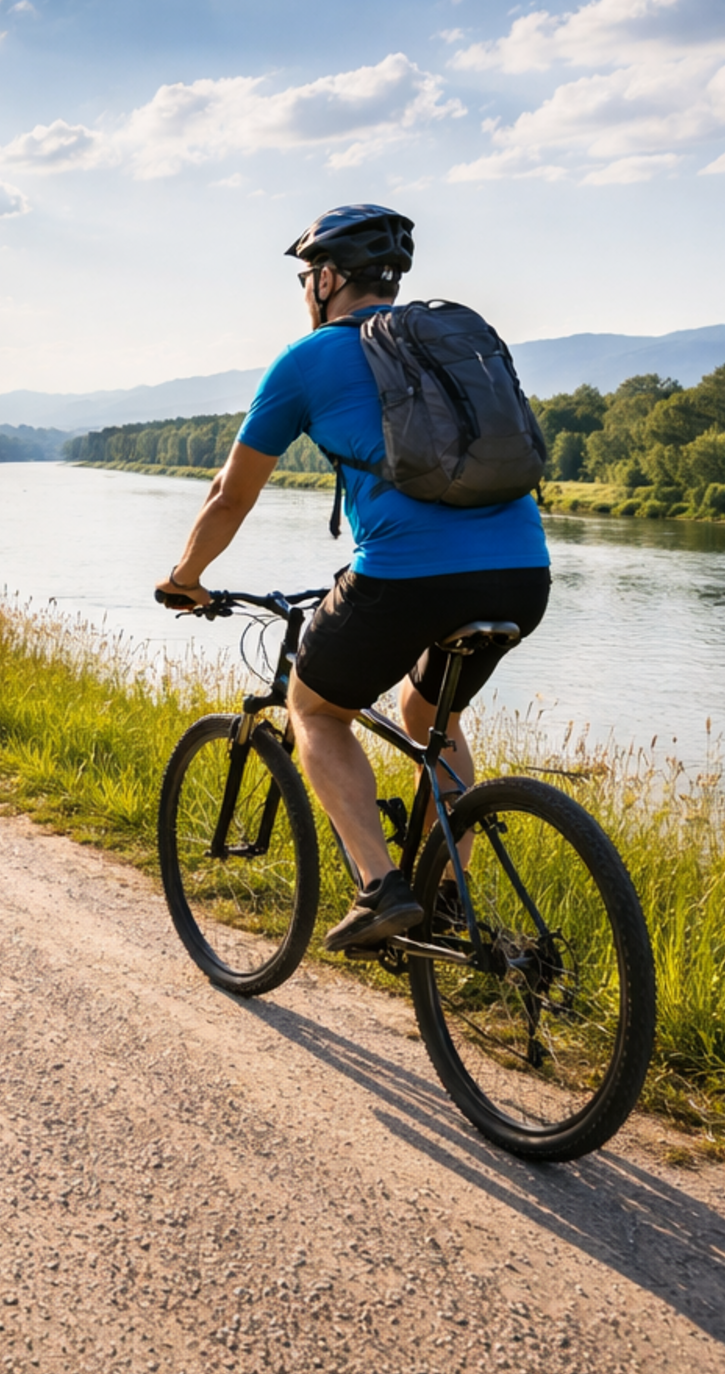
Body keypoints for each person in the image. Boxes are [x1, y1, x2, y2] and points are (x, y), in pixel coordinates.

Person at [155, 205, 551, 951]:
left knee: (314, 707)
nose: (306, 290)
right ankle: (447, 899)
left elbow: (231, 494)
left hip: (407, 576)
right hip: (524, 573)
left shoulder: (307, 361)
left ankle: (379, 888)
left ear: (328, 279)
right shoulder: (450, 346)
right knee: (429, 716)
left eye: (307, 277)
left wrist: (186, 575)